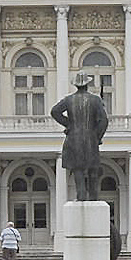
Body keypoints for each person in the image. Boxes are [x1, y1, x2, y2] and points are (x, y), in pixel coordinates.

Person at [49, 74, 110, 202]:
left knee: (78, 169)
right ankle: (93, 197)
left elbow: (55, 111)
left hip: (74, 138)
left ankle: (81, 195)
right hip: (90, 137)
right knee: (93, 169)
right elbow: (103, 120)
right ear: (87, 84)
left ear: (76, 85)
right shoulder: (95, 100)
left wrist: (69, 123)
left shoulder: (69, 99)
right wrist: (97, 136)